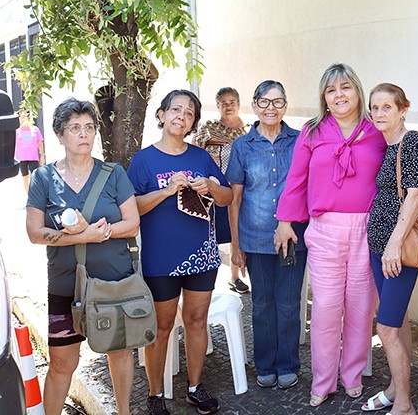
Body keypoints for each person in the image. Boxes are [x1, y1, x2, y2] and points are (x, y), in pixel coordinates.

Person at [274, 63, 386, 407]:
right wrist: (285, 221)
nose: (339, 95)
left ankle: (352, 375)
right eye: (331, 90)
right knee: (325, 308)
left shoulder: (376, 130)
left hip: (366, 229)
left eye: (345, 87)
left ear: (357, 91)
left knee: (360, 307)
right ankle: (323, 381)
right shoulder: (312, 131)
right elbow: (296, 179)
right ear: (324, 97)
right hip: (324, 230)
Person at [26, 98, 138, 415]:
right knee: (62, 362)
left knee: (119, 352)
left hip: (113, 283)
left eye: (89, 127)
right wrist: (79, 236)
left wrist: (101, 232)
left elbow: (132, 223)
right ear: (60, 135)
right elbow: (34, 232)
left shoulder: (113, 173)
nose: (83, 134)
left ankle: (124, 412)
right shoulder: (43, 178)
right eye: (75, 128)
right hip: (66, 287)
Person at [126, 89, 232, 415]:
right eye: (175, 109)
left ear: (192, 123)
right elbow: (131, 208)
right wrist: (166, 190)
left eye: (189, 113)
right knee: (161, 327)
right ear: (161, 115)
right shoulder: (144, 160)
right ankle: (155, 395)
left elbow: (226, 197)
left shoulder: (201, 157)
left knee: (197, 321)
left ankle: (195, 388)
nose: (181, 116)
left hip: (202, 255)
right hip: (161, 260)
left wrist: (210, 186)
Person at [225, 80, 307, 390]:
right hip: (256, 239)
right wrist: (236, 245)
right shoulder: (242, 146)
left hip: (292, 239)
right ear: (255, 105)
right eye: (264, 102)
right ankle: (264, 363)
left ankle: (287, 363)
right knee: (261, 304)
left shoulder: (299, 141)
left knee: (288, 303)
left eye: (277, 102)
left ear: (285, 106)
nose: (270, 108)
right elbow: (235, 199)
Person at [362, 83, 418, 415]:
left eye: (386, 107)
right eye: (374, 108)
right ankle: (395, 388)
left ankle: (404, 404)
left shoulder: (412, 141)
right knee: (398, 320)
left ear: (403, 109)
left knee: (386, 327)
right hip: (380, 248)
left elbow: (416, 196)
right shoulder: (387, 144)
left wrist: (392, 245)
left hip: (399, 251)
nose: (379, 113)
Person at [194, 87, 251, 294]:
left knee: (237, 232)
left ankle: (235, 277)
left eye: (232, 102)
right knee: (211, 232)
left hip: (240, 190)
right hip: (214, 190)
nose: (228, 106)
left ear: (239, 104)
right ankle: (204, 279)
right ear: (217, 106)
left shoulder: (248, 133)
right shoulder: (208, 130)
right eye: (223, 103)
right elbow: (195, 154)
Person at [16, 109, 45, 193]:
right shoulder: (17, 131)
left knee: (35, 177)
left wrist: (42, 156)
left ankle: (37, 194)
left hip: (33, 157)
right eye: (22, 117)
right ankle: (28, 194)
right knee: (25, 177)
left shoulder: (35, 129)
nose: (23, 119)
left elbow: (40, 143)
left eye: (25, 117)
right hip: (22, 158)